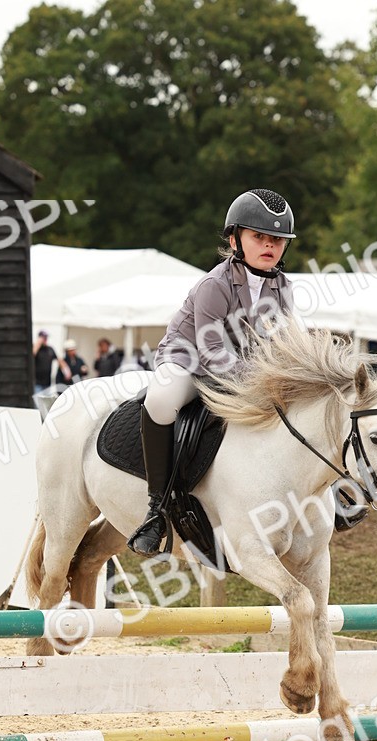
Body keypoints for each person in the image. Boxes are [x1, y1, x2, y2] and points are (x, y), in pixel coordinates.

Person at [127, 187, 296, 555]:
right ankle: (156, 509)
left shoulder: (283, 287)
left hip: (244, 369)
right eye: (259, 236)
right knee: (160, 401)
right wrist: (259, 378)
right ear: (235, 240)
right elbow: (212, 352)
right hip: (188, 361)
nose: (270, 245)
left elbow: (281, 342)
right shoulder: (214, 285)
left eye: (278, 239)